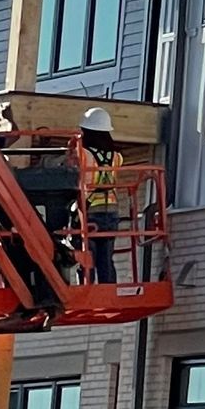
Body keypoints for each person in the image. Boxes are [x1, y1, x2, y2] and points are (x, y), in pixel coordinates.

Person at [80, 107, 119, 286]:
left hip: (90, 211)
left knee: (87, 256)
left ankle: (87, 290)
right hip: (111, 211)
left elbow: (69, 168)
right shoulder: (117, 157)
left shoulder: (84, 154)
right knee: (106, 257)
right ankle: (109, 290)